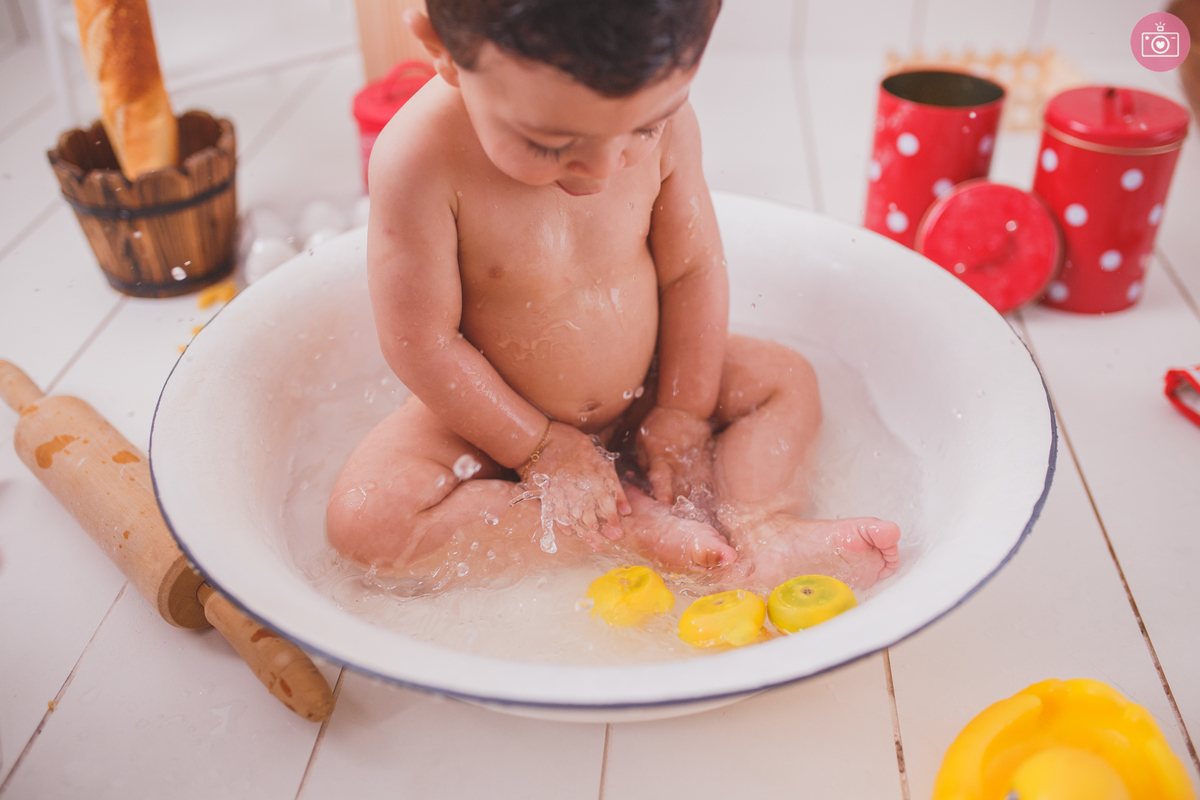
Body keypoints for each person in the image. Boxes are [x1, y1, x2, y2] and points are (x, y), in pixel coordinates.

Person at [326, 0, 900, 592]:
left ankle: (759, 525)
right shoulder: (420, 159)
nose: (601, 169)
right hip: (489, 420)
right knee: (367, 521)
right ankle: (626, 531)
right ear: (442, 48)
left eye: (644, 127)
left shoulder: (670, 120)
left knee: (785, 378)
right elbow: (423, 343)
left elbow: (693, 271)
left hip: (647, 387)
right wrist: (536, 445)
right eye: (550, 141)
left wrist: (683, 409)